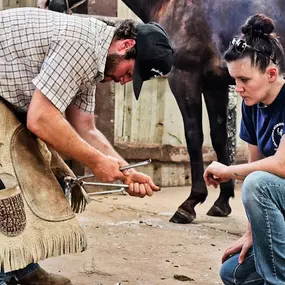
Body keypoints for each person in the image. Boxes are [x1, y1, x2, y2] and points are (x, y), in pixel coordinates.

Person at [0, 7, 173, 285]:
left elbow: (86, 128)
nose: (125, 81)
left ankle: (21, 269)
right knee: (7, 183)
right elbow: (41, 118)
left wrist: (126, 172)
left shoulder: (94, 57)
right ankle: (16, 272)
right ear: (126, 45)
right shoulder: (80, 45)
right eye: (131, 72)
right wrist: (96, 162)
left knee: (22, 179)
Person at [203, 14, 285, 285]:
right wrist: (253, 233)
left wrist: (228, 170)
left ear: (271, 74)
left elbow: (280, 166)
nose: (238, 88)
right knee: (233, 273)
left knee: (259, 183)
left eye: (245, 80)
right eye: (234, 79)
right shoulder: (252, 107)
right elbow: (254, 169)